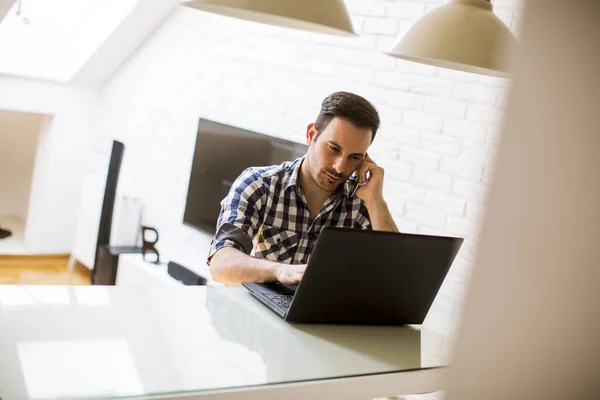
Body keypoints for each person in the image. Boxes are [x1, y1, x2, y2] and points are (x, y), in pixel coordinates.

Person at [207, 91, 399, 286]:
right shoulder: (259, 184)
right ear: (311, 135)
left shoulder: (363, 204)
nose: (340, 167)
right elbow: (221, 264)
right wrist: (280, 270)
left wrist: (376, 200)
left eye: (355, 157)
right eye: (333, 149)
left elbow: (397, 275)